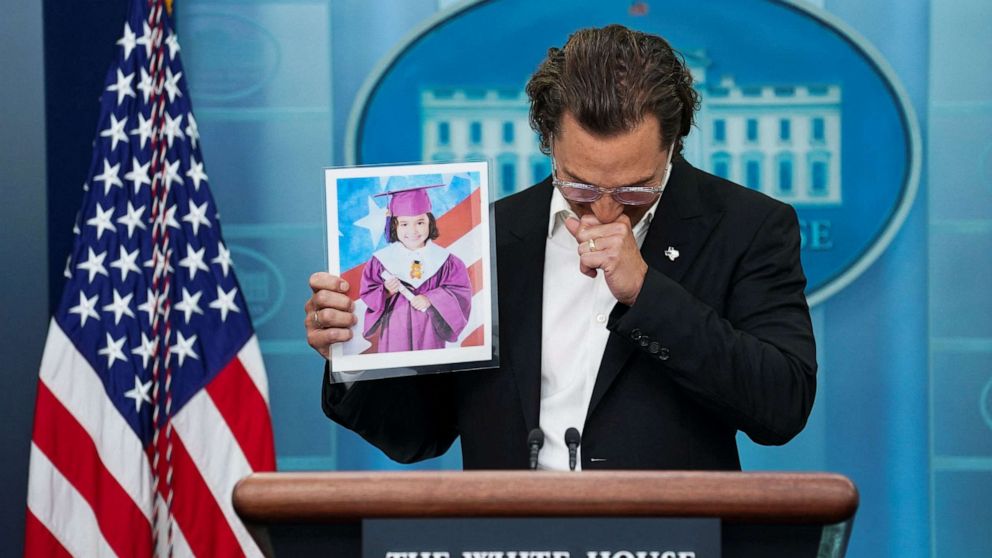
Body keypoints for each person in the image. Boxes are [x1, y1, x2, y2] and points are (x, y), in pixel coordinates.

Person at [305, 24, 817, 471]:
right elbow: (417, 434)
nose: (607, 211)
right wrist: (352, 356)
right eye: (582, 187)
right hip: (509, 536)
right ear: (549, 140)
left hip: (677, 534)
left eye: (636, 190)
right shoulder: (485, 240)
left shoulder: (748, 226)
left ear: (674, 142)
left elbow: (781, 406)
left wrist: (645, 292)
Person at [359, 185, 473, 352]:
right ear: (393, 226)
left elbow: (461, 292)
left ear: (430, 222)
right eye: (404, 224)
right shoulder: (381, 261)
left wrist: (431, 298)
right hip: (394, 328)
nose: (412, 230)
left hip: (430, 329)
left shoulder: (448, 261)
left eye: (420, 222)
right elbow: (368, 292)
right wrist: (386, 291)